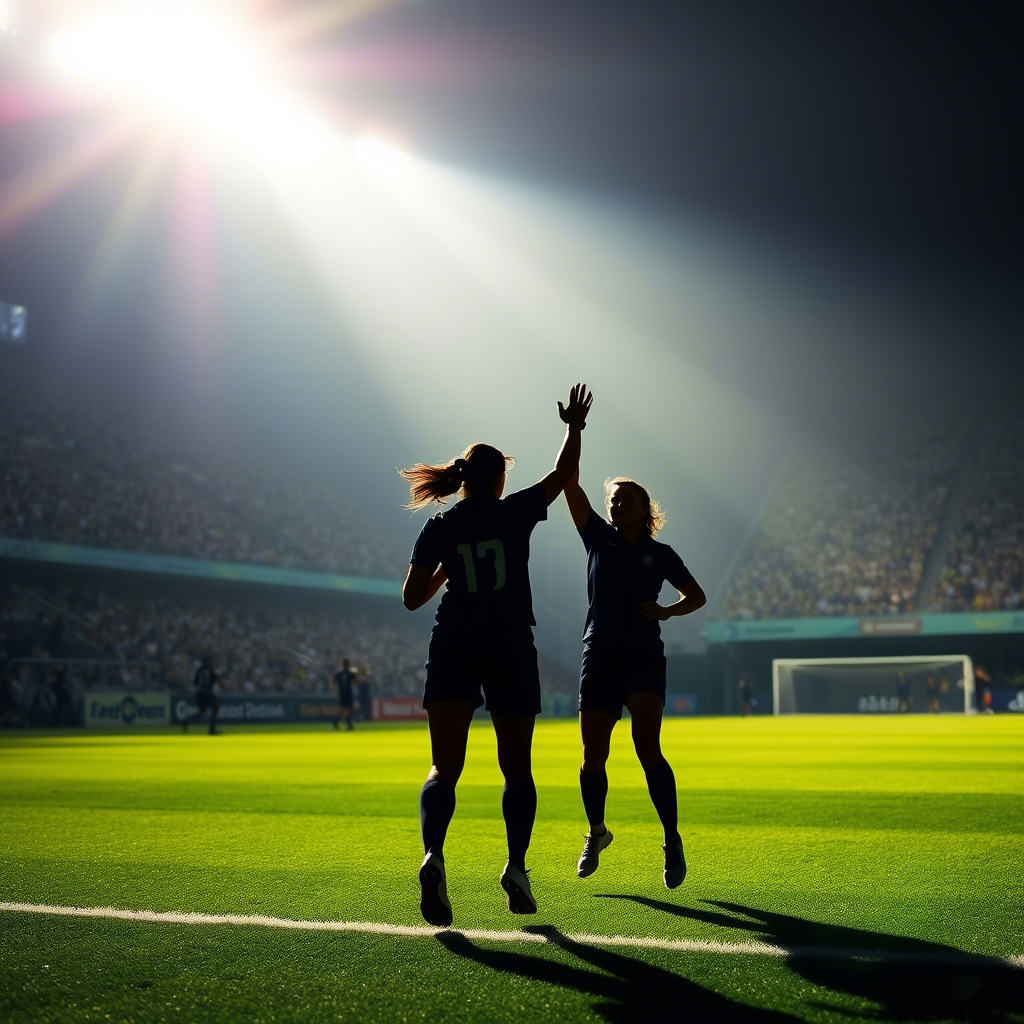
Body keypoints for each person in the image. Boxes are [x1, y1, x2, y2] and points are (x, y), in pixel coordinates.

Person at [401, 383, 593, 928]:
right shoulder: (514, 513)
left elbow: (413, 599)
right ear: (497, 478)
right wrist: (573, 428)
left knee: (444, 766)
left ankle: (434, 855)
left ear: (463, 479)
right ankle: (515, 867)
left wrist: (447, 568)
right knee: (517, 769)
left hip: (454, 639)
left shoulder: (439, 526)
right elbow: (562, 478)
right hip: (509, 641)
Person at [562, 471, 706, 888]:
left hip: (643, 655)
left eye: (626, 500)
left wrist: (667, 611)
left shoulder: (661, 554)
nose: (616, 505)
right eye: (613, 500)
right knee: (593, 756)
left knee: (648, 748)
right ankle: (597, 831)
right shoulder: (597, 538)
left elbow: (695, 596)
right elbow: (570, 485)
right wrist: (574, 431)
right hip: (600, 654)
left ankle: (671, 838)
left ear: (645, 509)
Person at [183, 654, 221, 734]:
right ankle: (212, 729)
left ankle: (187, 721)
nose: (212, 662)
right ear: (207, 662)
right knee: (215, 708)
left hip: (200, 692)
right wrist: (224, 686)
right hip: (207, 692)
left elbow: (195, 683)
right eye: (210, 661)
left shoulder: (199, 670)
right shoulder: (210, 670)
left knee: (202, 711)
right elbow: (217, 680)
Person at [332, 658, 356, 730]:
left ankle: (340, 722)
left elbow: (332, 680)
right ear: (347, 664)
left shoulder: (339, 673)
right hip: (348, 693)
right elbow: (357, 682)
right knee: (349, 709)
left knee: (344, 709)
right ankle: (346, 723)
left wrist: (332, 686)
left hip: (341, 693)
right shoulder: (350, 673)